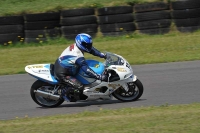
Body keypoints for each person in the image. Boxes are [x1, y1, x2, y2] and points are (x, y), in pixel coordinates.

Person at [54, 33, 107, 101]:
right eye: (87, 45)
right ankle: (64, 94)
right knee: (79, 86)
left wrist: (102, 55)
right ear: (80, 43)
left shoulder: (79, 47)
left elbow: (91, 50)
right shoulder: (77, 55)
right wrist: (99, 77)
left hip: (67, 65)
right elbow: (86, 69)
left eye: (90, 44)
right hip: (63, 72)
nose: (89, 46)